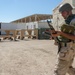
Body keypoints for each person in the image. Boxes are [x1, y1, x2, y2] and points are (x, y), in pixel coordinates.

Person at [52, 3, 75, 75]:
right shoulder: (67, 21)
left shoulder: (73, 21)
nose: (61, 14)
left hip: (67, 51)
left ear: (68, 11)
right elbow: (64, 35)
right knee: (68, 67)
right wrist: (55, 36)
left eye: (63, 12)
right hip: (67, 50)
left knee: (58, 72)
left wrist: (61, 33)